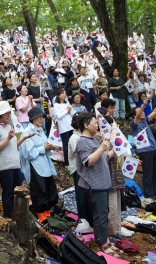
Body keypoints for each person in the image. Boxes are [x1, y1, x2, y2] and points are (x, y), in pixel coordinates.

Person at [75, 112, 119, 257]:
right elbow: (87, 162)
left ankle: (105, 238)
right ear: (86, 125)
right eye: (94, 122)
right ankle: (102, 243)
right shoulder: (82, 141)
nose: (97, 124)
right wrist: (101, 148)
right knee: (100, 213)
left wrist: (113, 149)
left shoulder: (94, 139)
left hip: (103, 182)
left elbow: (103, 158)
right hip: (95, 184)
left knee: (104, 212)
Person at [19, 107, 59, 222]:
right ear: (32, 119)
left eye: (42, 117)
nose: (41, 119)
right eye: (39, 117)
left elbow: (47, 149)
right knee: (39, 191)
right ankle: (41, 216)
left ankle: (47, 213)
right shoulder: (27, 133)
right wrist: (43, 148)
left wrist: (50, 147)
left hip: (45, 165)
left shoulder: (41, 131)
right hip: (35, 167)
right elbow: (28, 154)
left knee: (49, 189)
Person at [130, 96, 156, 199]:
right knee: (147, 173)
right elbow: (139, 114)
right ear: (135, 115)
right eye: (140, 111)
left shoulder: (145, 121)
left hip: (153, 149)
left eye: (143, 111)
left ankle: (154, 192)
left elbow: (154, 111)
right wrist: (143, 105)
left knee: (154, 173)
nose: (143, 112)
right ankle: (148, 194)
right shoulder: (134, 125)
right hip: (145, 151)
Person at [0, 101, 21, 218]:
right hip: (5, 165)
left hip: (15, 164)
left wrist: (24, 139)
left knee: (17, 192)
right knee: (8, 192)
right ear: (0, 115)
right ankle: (8, 216)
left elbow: (13, 145)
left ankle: (17, 215)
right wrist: (8, 137)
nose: (8, 115)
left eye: (9, 113)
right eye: (6, 113)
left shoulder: (9, 126)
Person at [52, 88, 74, 165]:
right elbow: (58, 116)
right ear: (58, 95)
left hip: (71, 126)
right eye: (62, 93)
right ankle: (67, 162)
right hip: (63, 127)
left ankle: (73, 159)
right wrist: (66, 111)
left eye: (65, 93)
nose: (64, 94)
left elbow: (72, 114)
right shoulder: (56, 105)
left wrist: (70, 111)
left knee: (72, 143)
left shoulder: (67, 104)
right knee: (66, 144)